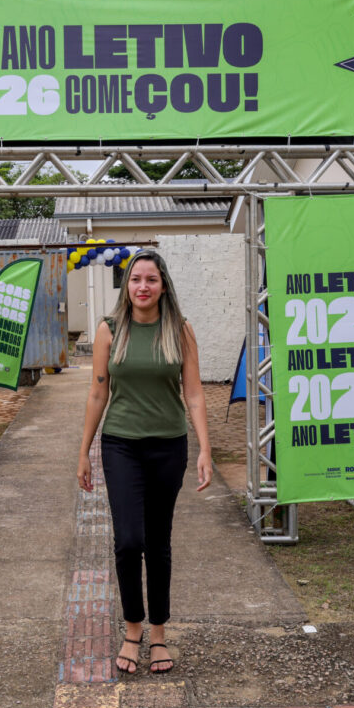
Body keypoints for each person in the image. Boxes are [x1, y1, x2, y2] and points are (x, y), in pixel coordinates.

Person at [77, 250, 213, 676]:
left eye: (150, 279)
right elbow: (99, 393)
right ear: (127, 284)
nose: (142, 287)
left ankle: (157, 634)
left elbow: (192, 394)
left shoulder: (180, 330)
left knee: (158, 542)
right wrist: (83, 450)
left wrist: (206, 449)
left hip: (168, 446)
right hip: (121, 445)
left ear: (163, 284)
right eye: (135, 279)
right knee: (128, 541)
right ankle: (131, 628)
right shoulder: (109, 329)